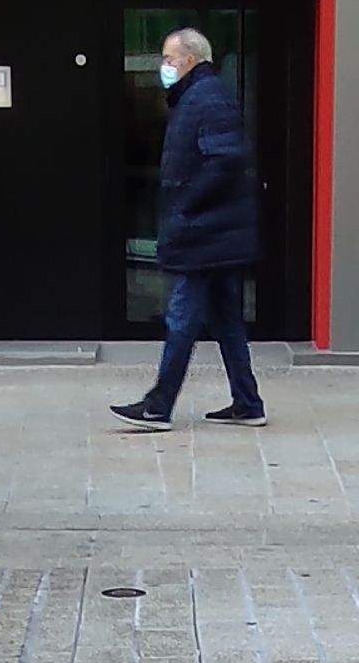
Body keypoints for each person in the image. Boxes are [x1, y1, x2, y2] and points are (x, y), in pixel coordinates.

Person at [111, 28, 265, 431]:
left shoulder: (207, 98)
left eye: (169, 58)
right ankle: (248, 404)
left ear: (193, 59)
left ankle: (158, 407)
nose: (164, 66)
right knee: (227, 321)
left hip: (205, 234)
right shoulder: (197, 97)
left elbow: (225, 160)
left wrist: (186, 205)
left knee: (182, 319)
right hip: (214, 233)